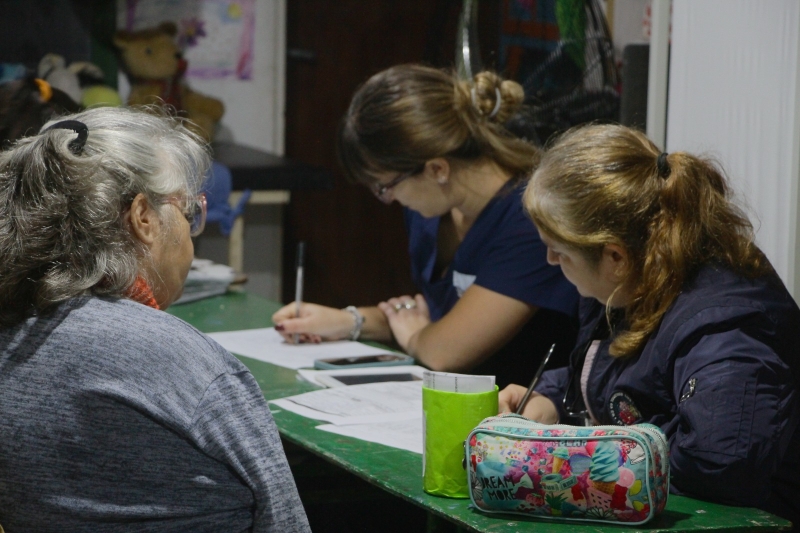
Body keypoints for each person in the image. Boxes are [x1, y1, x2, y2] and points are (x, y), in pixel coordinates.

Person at [0, 107, 311, 532]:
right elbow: (285, 523)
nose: (189, 235)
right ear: (144, 217)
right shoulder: (184, 363)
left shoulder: (12, 333)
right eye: (187, 213)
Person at [498, 124, 800, 525]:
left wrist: (574, 454)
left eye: (558, 251)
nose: (552, 263)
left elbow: (719, 467)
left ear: (614, 256)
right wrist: (551, 399)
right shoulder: (631, 280)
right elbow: (613, 373)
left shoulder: (727, 328)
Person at [272, 64, 580, 387]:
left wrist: (418, 337)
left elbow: (444, 351)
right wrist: (351, 321)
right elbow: (433, 318)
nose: (388, 199)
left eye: (385, 185)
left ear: (437, 169)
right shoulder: (431, 209)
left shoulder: (529, 222)